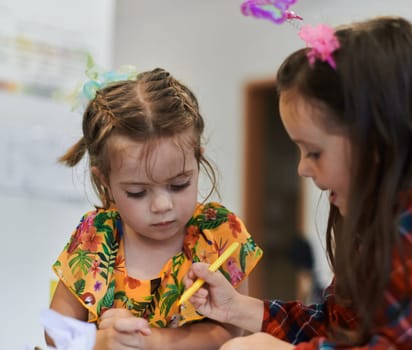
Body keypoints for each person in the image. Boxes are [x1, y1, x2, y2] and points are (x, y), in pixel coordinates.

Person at [182, 16, 412, 349]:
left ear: (377, 141)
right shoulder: (374, 226)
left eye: (313, 152)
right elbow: (337, 326)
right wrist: (237, 307)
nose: (302, 169)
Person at [47, 67, 263, 349]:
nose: (162, 206)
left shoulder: (219, 232)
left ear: (197, 160)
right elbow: (56, 332)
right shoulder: (95, 235)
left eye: (179, 185)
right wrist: (104, 342)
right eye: (137, 192)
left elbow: (229, 332)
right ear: (106, 181)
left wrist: (150, 342)